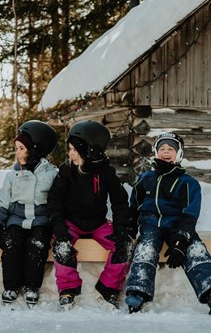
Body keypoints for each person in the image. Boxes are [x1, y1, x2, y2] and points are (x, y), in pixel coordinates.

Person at [124, 132, 211, 315]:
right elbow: (134, 205)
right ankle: (137, 292)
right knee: (146, 247)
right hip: (150, 224)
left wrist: (181, 240)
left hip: (177, 225)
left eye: (171, 149)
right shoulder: (145, 179)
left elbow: (190, 216)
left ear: (179, 153)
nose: (166, 152)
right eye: (162, 149)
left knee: (195, 249)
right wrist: (129, 226)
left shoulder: (188, 183)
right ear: (156, 153)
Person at [47, 120, 133, 310]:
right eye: (69, 149)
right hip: (72, 222)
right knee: (62, 245)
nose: (70, 154)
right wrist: (58, 224)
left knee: (124, 245)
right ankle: (68, 290)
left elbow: (120, 201)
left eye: (74, 150)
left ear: (90, 150)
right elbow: (54, 199)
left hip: (98, 224)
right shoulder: (67, 171)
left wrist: (119, 227)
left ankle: (108, 288)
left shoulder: (106, 172)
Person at [0, 120, 59, 308]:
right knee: (11, 243)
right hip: (16, 219)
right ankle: (11, 286)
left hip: (40, 222)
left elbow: (56, 202)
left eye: (22, 148)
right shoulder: (13, 174)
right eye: (17, 148)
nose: (18, 153)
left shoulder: (51, 174)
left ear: (35, 149)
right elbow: (3, 199)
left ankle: (31, 286)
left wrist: (55, 224)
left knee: (37, 245)